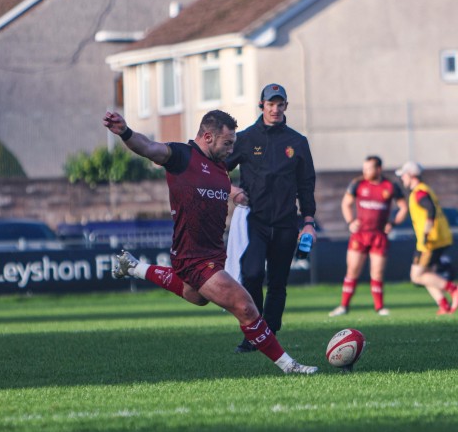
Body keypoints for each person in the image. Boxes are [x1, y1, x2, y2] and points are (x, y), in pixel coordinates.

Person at [102, 109, 317, 375]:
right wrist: (124, 131)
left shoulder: (219, 168)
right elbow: (147, 147)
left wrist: (236, 192)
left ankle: (135, 268)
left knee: (197, 297)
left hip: (214, 254)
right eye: (227, 143)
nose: (231, 150)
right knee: (246, 306)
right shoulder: (182, 156)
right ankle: (289, 366)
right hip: (193, 257)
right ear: (207, 136)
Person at [225, 83, 317, 353]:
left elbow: (307, 183)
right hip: (254, 221)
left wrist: (309, 221)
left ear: (286, 106)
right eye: (270, 104)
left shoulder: (298, 142)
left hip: (287, 223)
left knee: (278, 283)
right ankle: (254, 331)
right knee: (251, 275)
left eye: (280, 104)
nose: (275, 109)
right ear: (261, 106)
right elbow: (218, 168)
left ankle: (269, 334)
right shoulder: (245, 138)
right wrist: (232, 190)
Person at [329, 155, 408, 317]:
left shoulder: (390, 185)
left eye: (368, 168)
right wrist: (350, 221)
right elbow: (346, 203)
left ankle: (379, 307)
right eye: (364, 168)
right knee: (352, 270)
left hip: (379, 236)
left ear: (378, 169)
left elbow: (404, 208)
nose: (365, 171)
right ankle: (344, 306)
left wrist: (392, 223)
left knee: (377, 272)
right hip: (360, 235)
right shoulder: (358, 184)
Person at [396, 161, 458, 315]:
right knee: (426, 274)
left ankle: (454, 289)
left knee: (417, 276)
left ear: (411, 175)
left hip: (430, 240)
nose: (402, 179)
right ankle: (444, 305)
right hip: (439, 238)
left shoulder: (419, 192)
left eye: (403, 175)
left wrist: (426, 233)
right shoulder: (424, 189)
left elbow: (430, 210)